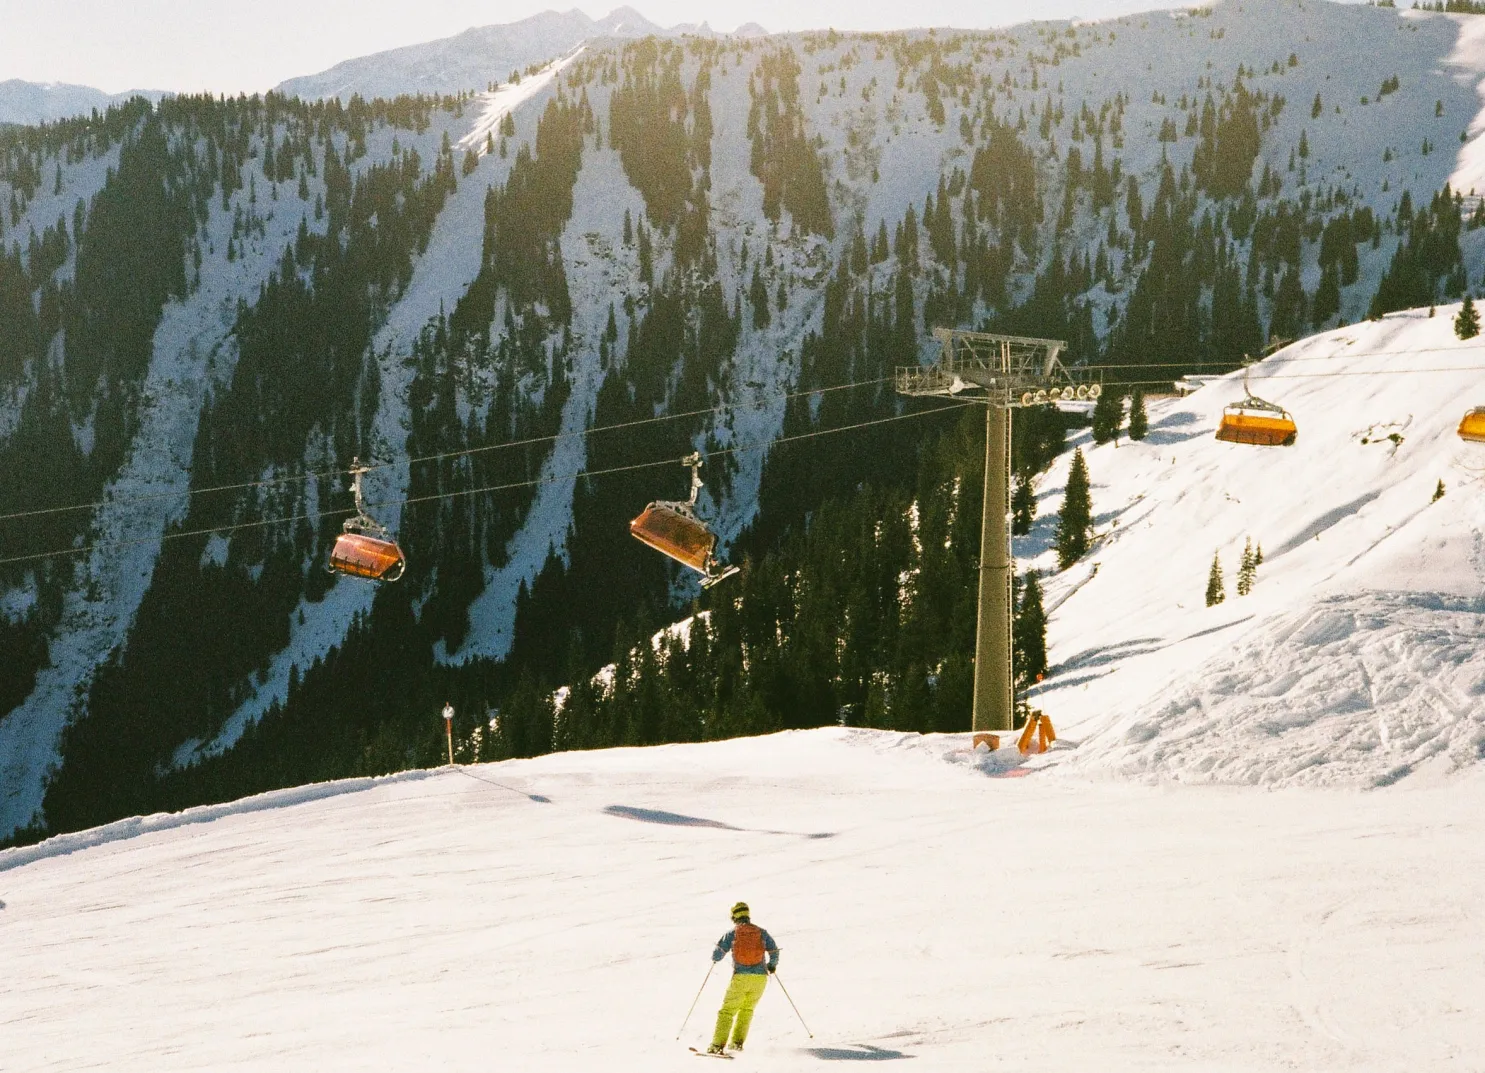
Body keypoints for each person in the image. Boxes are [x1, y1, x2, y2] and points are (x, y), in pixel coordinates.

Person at [707, 901, 779, 1054]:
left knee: (727, 1011)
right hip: (760, 979)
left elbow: (717, 955)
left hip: (741, 977)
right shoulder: (762, 932)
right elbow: (774, 950)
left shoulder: (732, 933)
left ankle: (717, 1045)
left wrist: (716, 958)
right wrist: (772, 965)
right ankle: (737, 1043)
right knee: (747, 1009)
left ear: (734, 916)